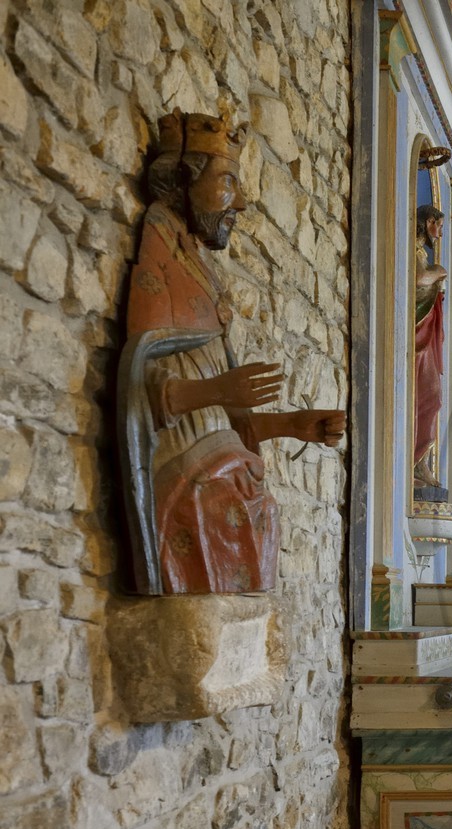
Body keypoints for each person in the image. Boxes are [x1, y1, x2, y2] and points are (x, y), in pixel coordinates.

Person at [117, 109, 346, 595]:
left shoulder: (199, 269)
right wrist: (219, 389)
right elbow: (145, 388)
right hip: (186, 474)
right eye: (227, 181)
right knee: (233, 508)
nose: (239, 201)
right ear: (183, 179)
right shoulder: (160, 252)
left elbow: (227, 420)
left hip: (218, 462)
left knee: (256, 508)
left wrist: (290, 424)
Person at [413, 204, 448, 485]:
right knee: (427, 396)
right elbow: (416, 279)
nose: (440, 232)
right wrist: (437, 272)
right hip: (415, 334)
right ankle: (416, 461)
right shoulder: (413, 250)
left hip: (424, 331)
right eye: (438, 224)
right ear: (428, 223)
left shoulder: (421, 253)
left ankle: (420, 459)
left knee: (432, 397)